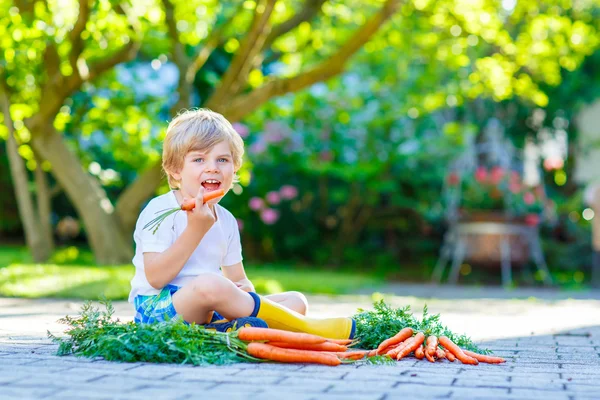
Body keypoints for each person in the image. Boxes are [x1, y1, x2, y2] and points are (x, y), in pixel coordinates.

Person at [128, 109, 355, 339]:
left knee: (295, 301)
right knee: (210, 283)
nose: (212, 167)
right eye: (199, 159)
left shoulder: (225, 219)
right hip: (157, 311)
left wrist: (244, 289)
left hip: (209, 310)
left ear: (234, 168)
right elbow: (155, 277)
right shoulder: (161, 210)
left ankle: (219, 332)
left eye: (223, 160)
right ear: (175, 170)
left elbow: (238, 279)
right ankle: (310, 330)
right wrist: (195, 230)